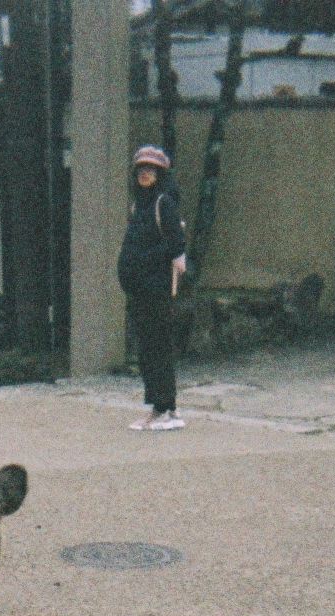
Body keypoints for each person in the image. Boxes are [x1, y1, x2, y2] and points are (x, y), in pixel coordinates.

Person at [116, 145, 188, 431]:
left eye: (152, 169)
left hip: (156, 289)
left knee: (158, 346)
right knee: (147, 349)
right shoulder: (139, 205)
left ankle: (167, 408)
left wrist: (144, 261)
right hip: (140, 290)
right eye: (141, 169)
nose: (146, 174)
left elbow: (175, 243)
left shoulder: (163, 203)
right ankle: (159, 407)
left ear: (160, 174)